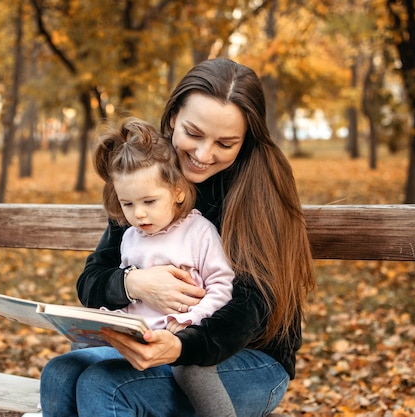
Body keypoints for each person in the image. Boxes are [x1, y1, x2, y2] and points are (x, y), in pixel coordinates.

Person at [40, 58, 316, 417]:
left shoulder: (259, 186)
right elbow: (93, 279)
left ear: (245, 140)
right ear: (172, 117)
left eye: (226, 143)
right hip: (156, 337)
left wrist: (181, 346)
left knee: (106, 387)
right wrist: (133, 283)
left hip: (245, 357)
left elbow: (254, 306)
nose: (203, 155)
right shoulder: (147, 173)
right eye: (195, 134)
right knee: (61, 372)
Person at [92, 117, 237, 416]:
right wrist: (108, 318)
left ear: (178, 192)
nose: (139, 214)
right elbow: (128, 292)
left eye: (149, 201)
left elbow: (222, 286)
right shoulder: (131, 236)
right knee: (78, 356)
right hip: (140, 337)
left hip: (181, 337)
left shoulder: (198, 232)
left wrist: (191, 320)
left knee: (193, 373)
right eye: (128, 204)